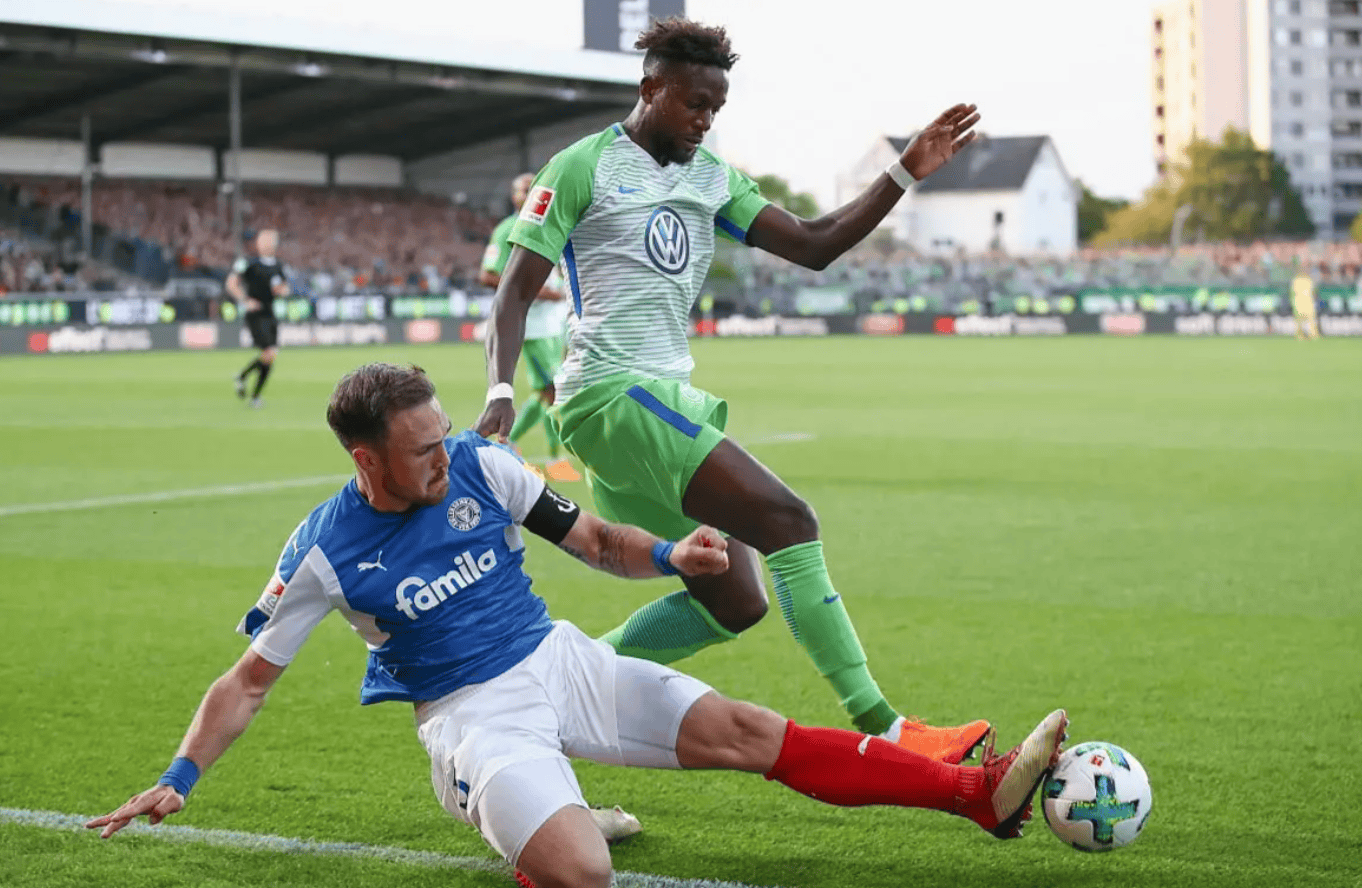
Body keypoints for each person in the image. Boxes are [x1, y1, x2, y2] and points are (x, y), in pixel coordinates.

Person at [86, 362, 1068, 888]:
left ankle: (974, 796)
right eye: (422, 450)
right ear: (365, 458)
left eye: (443, 436)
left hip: (561, 661)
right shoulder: (322, 552)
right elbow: (247, 682)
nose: (444, 457)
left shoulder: (482, 466)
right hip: (472, 719)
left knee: (750, 731)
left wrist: (669, 556)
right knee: (581, 871)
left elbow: (594, 539)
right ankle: (534, 819)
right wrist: (180, 777)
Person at [476, 17, 989, 762]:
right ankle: (888, 730)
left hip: (661, 398)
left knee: (734, 600)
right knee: (788, 518)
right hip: (611, 397)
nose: (705, 120)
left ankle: (550, 693)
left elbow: (814, 246)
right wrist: (499, 389)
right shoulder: (583, 166)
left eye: (715, 108)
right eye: (694, 104)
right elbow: (513, 293)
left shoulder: (711, 177)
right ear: (651, 88)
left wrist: (904, 171)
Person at [480, 174, 582, 484]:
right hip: (533, 326)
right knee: (553, 391)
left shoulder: (547, 224)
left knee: (548, 392)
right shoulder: (507, 230)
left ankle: (509, 443)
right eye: (524, 190)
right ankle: (552, 458)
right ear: (514, 196)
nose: (529, 194)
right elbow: (488, 275)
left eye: (534, 188)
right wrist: (539, 291)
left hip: (554, 323)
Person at [225, 229, 290, 407]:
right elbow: (231, 283)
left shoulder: (279, 265)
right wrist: (245, 300)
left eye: (271, 240)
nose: (267, 244)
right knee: (269, 352)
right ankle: (250, 390)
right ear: (258, 243)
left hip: (270, 312)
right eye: (264, 240)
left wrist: (283, 291)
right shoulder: (247, 262)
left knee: (270, 355)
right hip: (256, 313)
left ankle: (246, 383)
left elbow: (284, 287)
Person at [1290, 260, 1320, 340]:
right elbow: (1292, 293)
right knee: (1299, 320)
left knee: (1311, 319)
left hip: (1308, 302)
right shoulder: (1296, 280)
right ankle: (1299, 335)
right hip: (1299, 303)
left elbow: (1314, 292)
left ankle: (1313, 334)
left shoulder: (1309, 279)